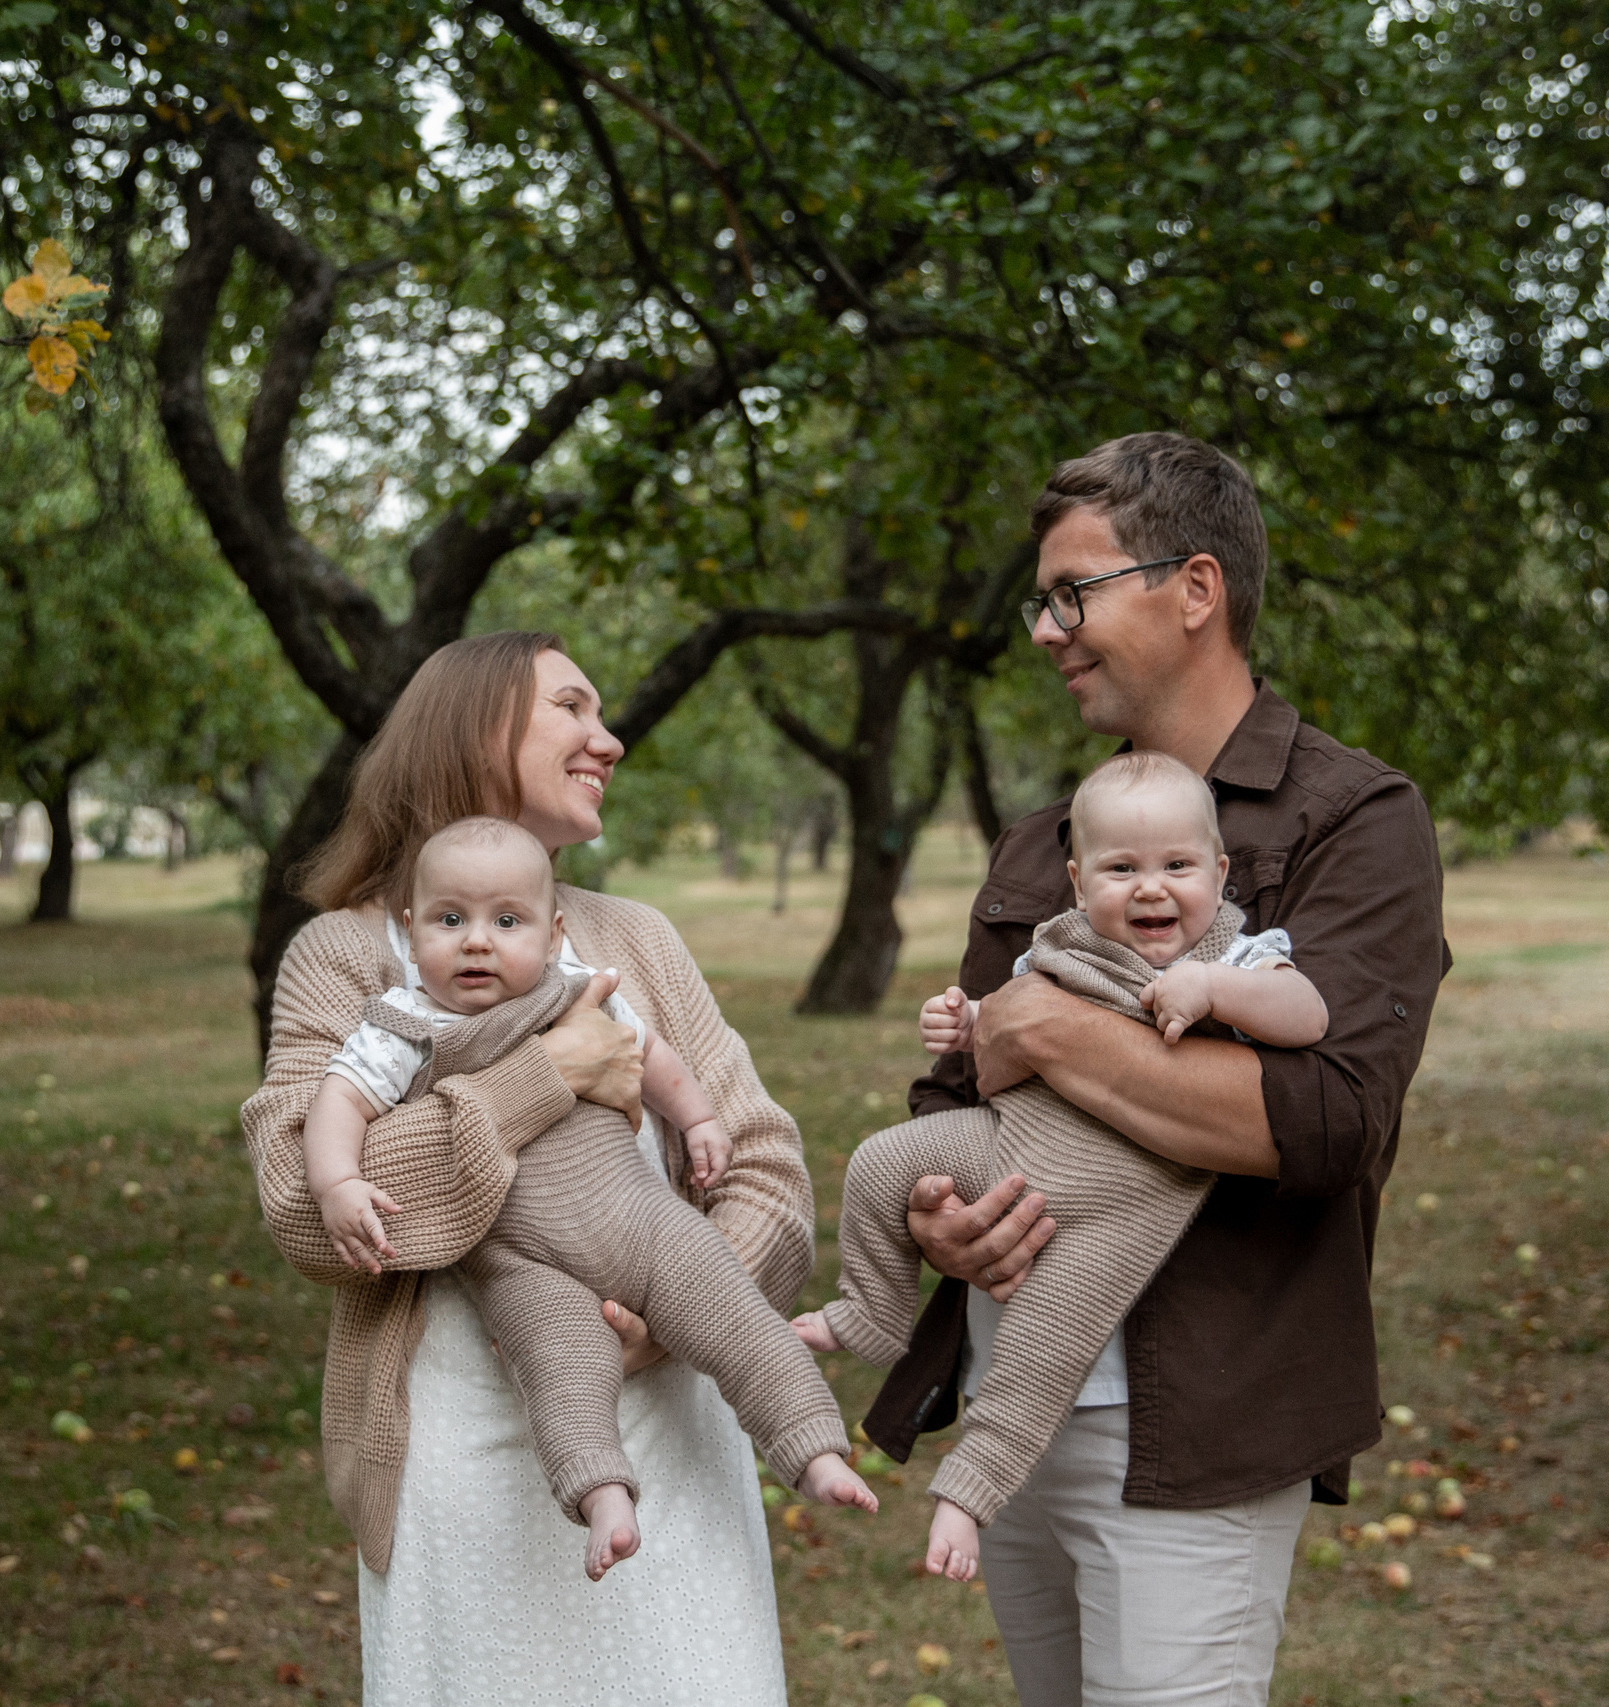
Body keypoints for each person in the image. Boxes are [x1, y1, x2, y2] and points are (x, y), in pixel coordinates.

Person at [862, 434, 1451, 1707]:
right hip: (1017, 1395)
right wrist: (937, 1218)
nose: (1044, 630)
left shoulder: (1352, 819)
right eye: (1040, 601)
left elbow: (1327, 1119)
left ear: (1194, 589)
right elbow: (952, 1101)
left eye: (1071, 593)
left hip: (1197, 1421)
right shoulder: (1047, 843)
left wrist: (1050, 1032)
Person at [240, 632, 816, 1707]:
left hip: (673, 1455)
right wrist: (546, 1076)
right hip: (458, 1469)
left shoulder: (635, 940)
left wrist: (671, 1314)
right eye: (572, 708)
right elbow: (306, 1214)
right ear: (476, 730)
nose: (610, 738)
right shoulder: (346, 955)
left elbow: (768, 1174)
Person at [793, 751, 1326, 1582]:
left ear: (1220, 874)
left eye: (1177, 866)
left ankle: (968, 1492)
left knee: (1039, 1350)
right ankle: (872, 1311)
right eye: (1122, 869)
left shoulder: (1240, 954)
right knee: (879, 1162)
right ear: (1079, 884)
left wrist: (1216, 991)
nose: (1150, 889)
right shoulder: (1067, 944)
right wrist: (966, 1019)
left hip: (1123, 1199)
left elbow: (1308, 1014)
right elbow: (1011, 1017)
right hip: (1012, 1141)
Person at [304, 814, 872, 1581]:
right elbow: (339, 1100)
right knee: (559, 1370)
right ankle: (604, 1495)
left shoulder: (578, 988)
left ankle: (811, 1448)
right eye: (450, 920)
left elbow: (650, 1055)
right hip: (523, 1261)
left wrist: (699, 1118)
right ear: (409, 931)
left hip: (640, 1219)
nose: (477, 942)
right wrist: (338, 1181)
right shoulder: (404, 1027)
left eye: (507, 921)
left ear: (553, 933)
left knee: (735, 1314)